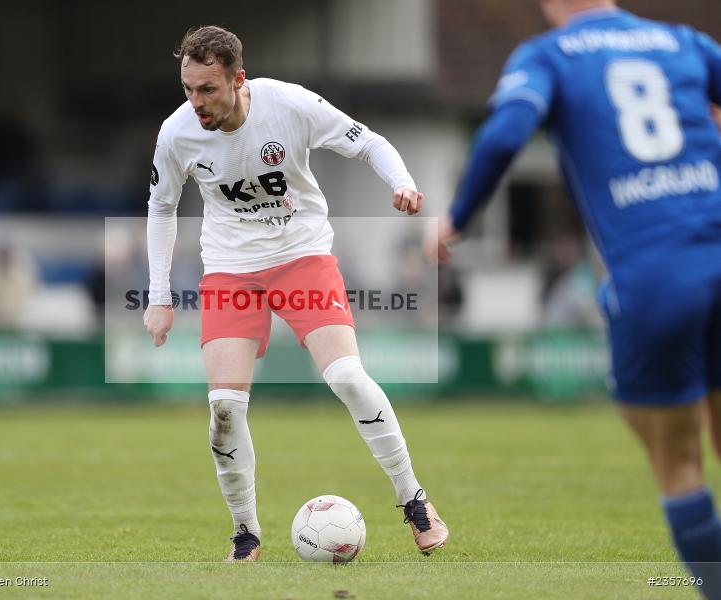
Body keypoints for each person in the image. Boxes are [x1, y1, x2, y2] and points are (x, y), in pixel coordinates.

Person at [426, 1, 721, 593]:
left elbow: (506, 132)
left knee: (678, 461)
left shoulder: (548, 56)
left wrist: (457, 218)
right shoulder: (682, 41)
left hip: (655, 276)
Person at [143, 26, 448, 561]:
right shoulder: (177, 133)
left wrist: (400, 181)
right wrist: (159, 296)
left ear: (238, 79)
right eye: (188, 89)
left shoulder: (289, 104)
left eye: (208, 89)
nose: (196, 102)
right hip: (231, 269)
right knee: (224, 408)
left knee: (347, 377)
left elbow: (368, 142)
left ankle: (414, 499)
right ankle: (246, 533)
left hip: (301, 256)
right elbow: (161, 208)